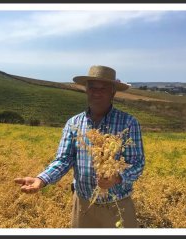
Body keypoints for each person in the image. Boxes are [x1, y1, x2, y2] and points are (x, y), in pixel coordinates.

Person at [14, 65, 145, 228]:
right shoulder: (74, 123)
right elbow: (63, 159)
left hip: (118, 206)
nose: (97, 92)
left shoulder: (129, 123)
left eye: (103, 88)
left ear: (113, 91)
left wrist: (116, 177)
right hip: (83, 205)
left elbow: (138, 163)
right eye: (92, 87)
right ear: (86, 90)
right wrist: (41, 179)